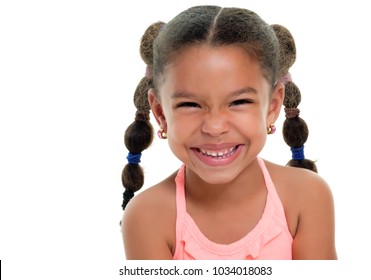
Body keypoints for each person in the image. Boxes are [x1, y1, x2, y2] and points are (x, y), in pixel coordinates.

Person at [120, 5, 337, 260]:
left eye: (239, 102)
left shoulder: (307, 197)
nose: (214, 127)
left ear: (273, 106)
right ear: (160, 113)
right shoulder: (147, 217)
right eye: (190, 104)